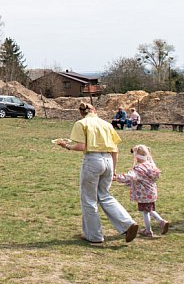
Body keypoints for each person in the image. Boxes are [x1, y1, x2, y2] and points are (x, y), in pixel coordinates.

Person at [56, 102, 139, 243]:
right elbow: (115, 149)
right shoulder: (106, 124)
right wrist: (114, 169)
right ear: (94, 110)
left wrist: (67, 146)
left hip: (92, 160)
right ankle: (128, 223)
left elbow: (82, 146)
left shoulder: (82, 123)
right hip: (108, 160)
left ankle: (94, 235)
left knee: (88, 199)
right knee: (105, 195)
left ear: (81, 112)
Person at [115, 145, 169, 237]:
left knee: (145, 212)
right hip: (151, 192)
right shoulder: (151, 165)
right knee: (149, 209)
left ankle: (155, 226)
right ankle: (156, 225)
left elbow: (130, 176)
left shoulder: (139, 169)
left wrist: (117, 177)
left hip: (143, 193)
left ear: (136, 156)